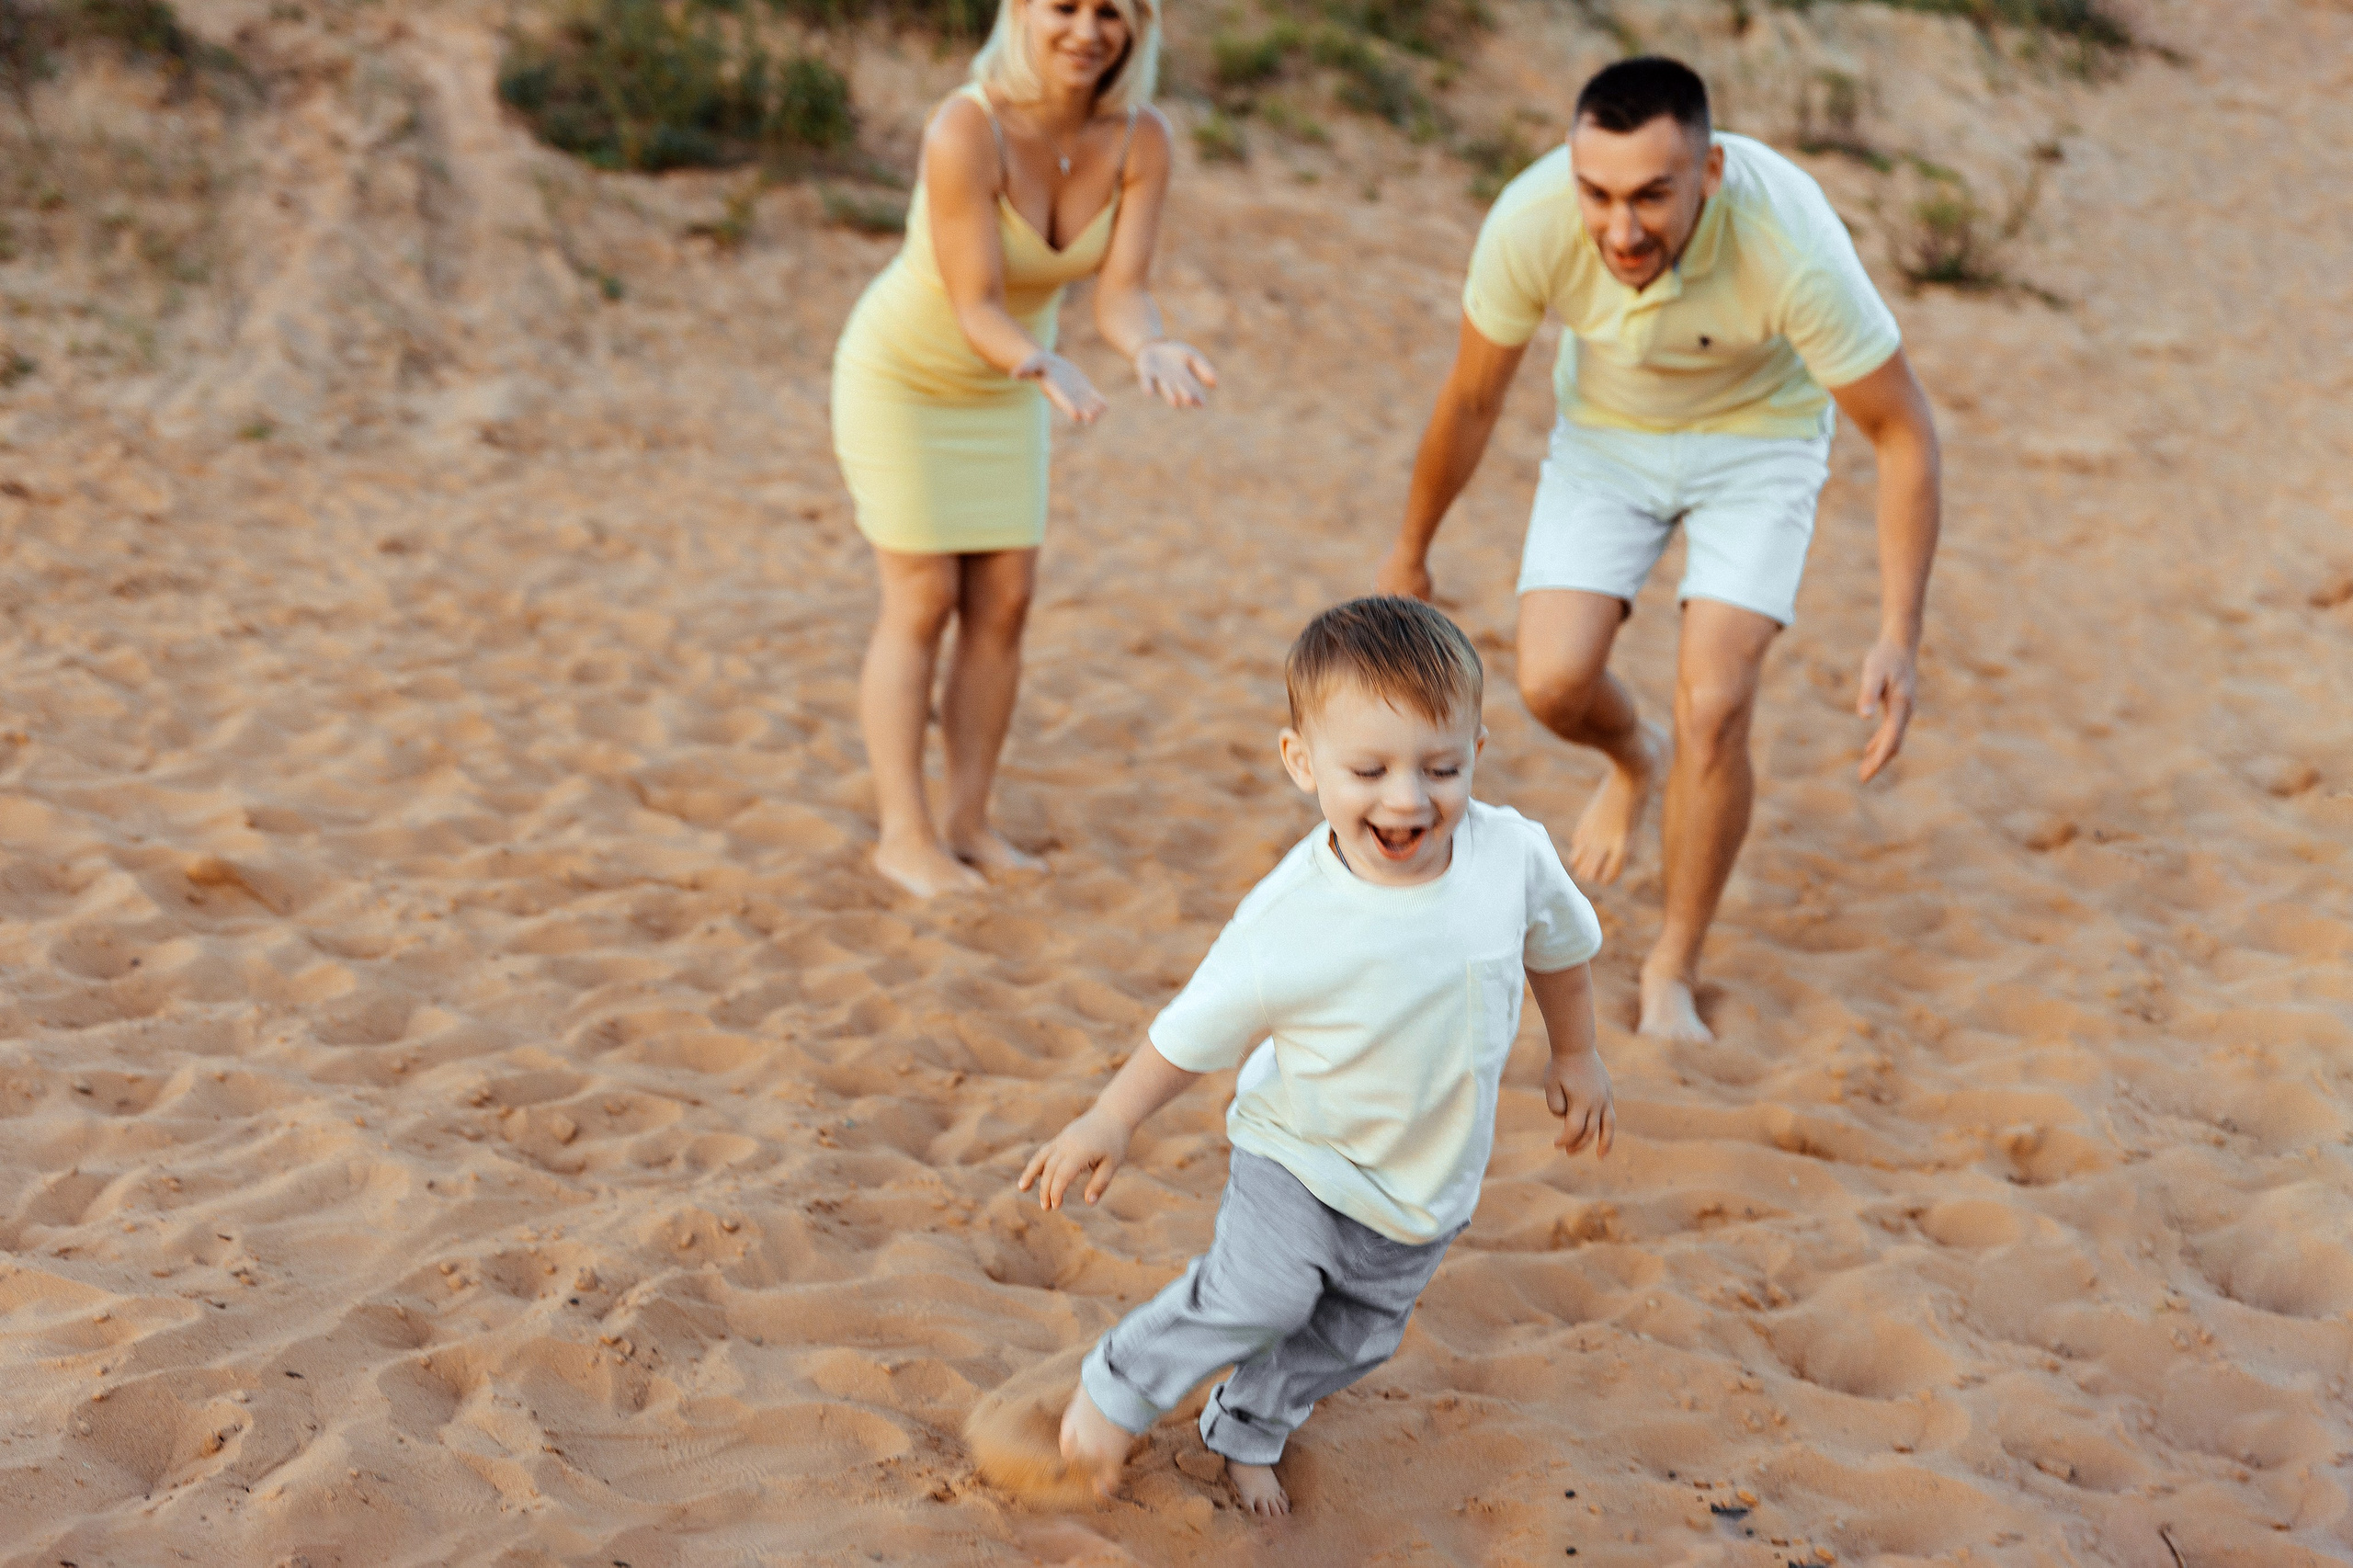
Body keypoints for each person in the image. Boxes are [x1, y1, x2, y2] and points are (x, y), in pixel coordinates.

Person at [1375, 57, 1941, 1042]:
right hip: (1607, 441)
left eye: (1650, 195)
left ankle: (1672, 968)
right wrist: (1409, 550)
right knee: (1551, 682)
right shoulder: (1531, 221)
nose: (1621, 228)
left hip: (1758, 446)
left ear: (1710, 171)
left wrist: (1899, 633)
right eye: (1597, 194)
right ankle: (1637, 759)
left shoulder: (1786, 242)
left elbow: (1902, 430)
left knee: (1716, 701)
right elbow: (1470, 400)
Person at [1018, 597, 1613, 1516]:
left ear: (1478, 751)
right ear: (1302, 762)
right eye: (1369, 768)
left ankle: (1245, 1426)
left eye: (1441, 766)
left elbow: (1558, 949)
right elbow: (1192, 1027)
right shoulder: (1290, 916)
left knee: (1353, 1337)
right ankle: (1117, 1385)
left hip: (1425, 1177)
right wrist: (1110, 1116)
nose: (1408, 798)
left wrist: (1574, 1052)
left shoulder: (1512, 857)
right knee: (1259, 1295)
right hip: (1297, 1151)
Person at [832, 0, 1217, 899]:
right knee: (922, 597)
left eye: (1112, 12)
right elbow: (975, 304)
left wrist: (1145, 344)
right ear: (1021, 14)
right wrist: (1042, 360)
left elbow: (1122, 293)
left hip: (1015, 384)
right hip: (910, 377)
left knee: (1005, 599)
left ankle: (969, 819)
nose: (1088, 31)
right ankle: (904, 834)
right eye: (1065, 8)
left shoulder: (1141, 139)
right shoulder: (963, 126)